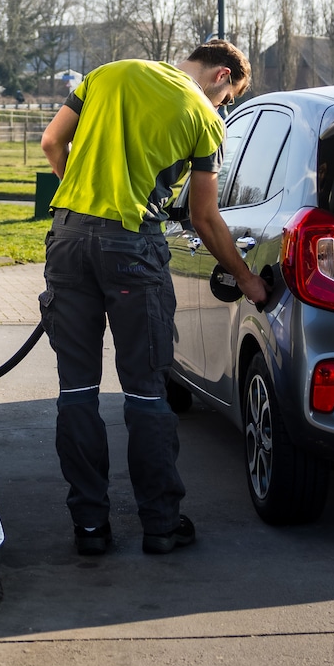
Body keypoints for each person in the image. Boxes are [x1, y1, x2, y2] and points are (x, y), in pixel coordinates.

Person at [37, 40, 267, 557]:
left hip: (68, 240)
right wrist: (247, 280)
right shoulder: (205, 118)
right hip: (132, 249)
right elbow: (205, 218)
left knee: (77, 390)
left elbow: (53, 142)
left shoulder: (108, 72)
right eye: (230, 97)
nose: (225, 106)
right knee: (144, 392)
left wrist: (80, 198)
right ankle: (161, 525)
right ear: (221, 78)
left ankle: (90, 528)